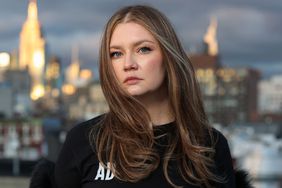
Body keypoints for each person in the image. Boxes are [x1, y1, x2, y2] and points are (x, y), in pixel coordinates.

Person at [55, 5, 236, 188]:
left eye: (143, 49)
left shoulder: (210, 145)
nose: (128, 64)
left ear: (168, 57)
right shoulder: (83, 140)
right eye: (116, 54)